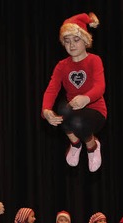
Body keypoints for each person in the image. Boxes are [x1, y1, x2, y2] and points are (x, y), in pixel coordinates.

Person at [41, 12, 107, 172]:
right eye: (67, 41)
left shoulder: (94, 60)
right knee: (63, 110)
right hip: (73, 111)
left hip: (95, 111)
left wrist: (86, 98)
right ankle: (75, 143)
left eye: (76, 40)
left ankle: (92, 146)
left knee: (77, 121)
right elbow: (51, 89)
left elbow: (100, 86)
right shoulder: (62, 66)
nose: (72, 45)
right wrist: (46, 110)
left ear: (85, 40)